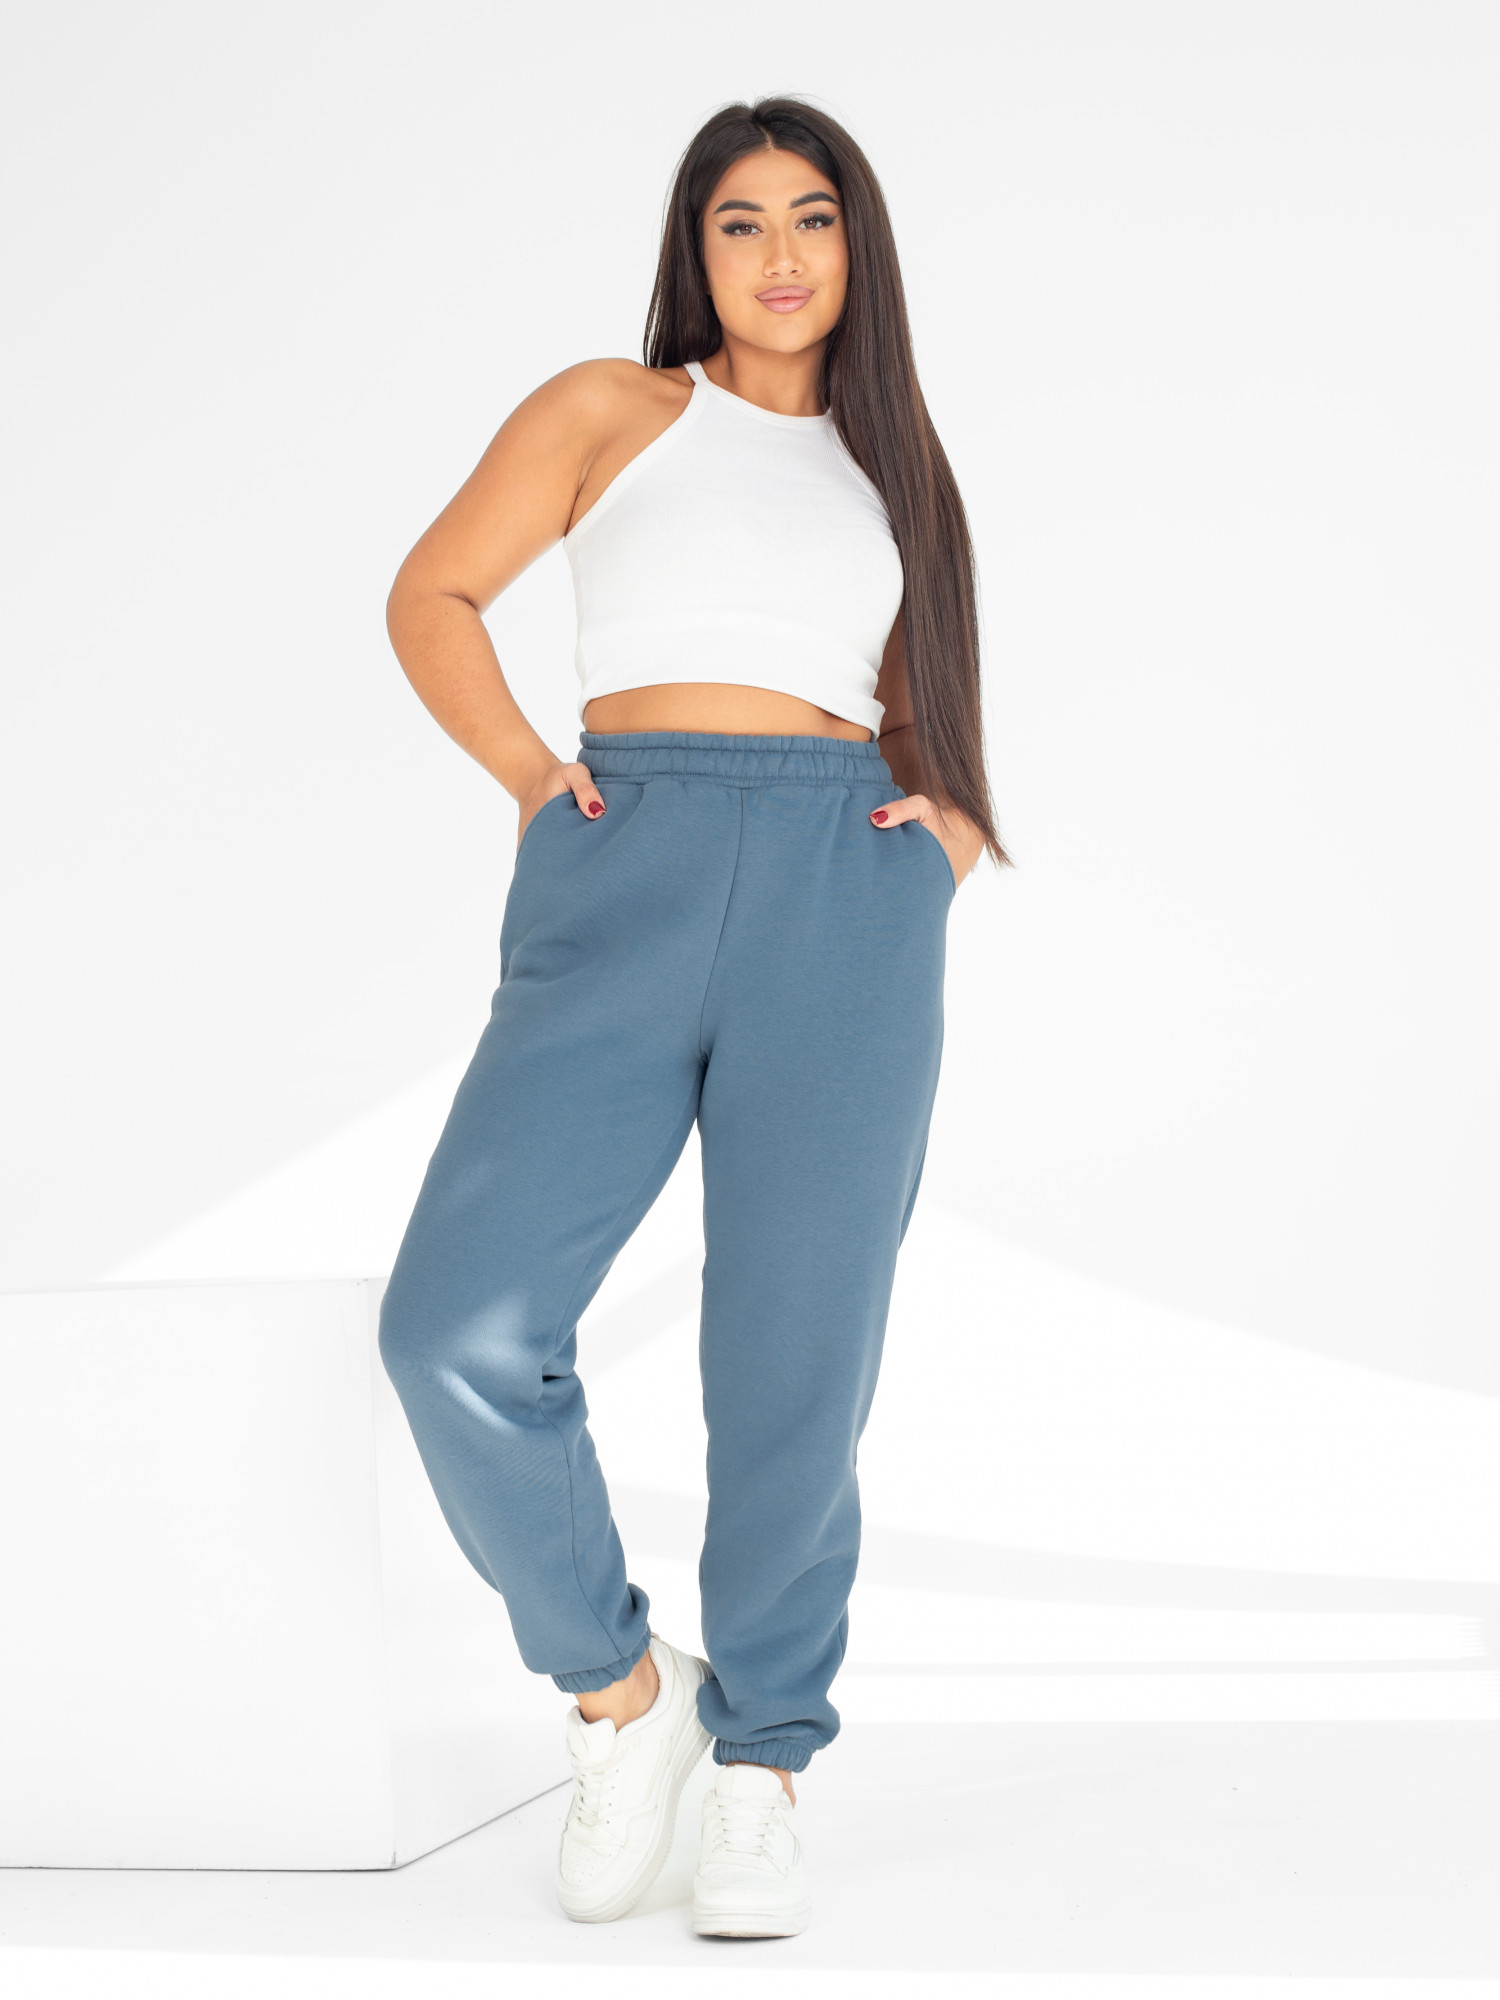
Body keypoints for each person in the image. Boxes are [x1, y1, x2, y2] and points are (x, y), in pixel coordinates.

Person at [377, 94, 1007, 1939]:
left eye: (814, 218)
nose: (782, 255)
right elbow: (434, 593)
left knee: (795, 1357)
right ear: (696, 250)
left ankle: (761, 1767)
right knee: (457, 1328)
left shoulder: (898, 473)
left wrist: (940, 845)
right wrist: (530, 776)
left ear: (857, 247)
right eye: (743, 223)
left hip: (842, 891)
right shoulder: (614, 410)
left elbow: (927, 710)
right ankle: (621, 1695)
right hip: (623, 858)